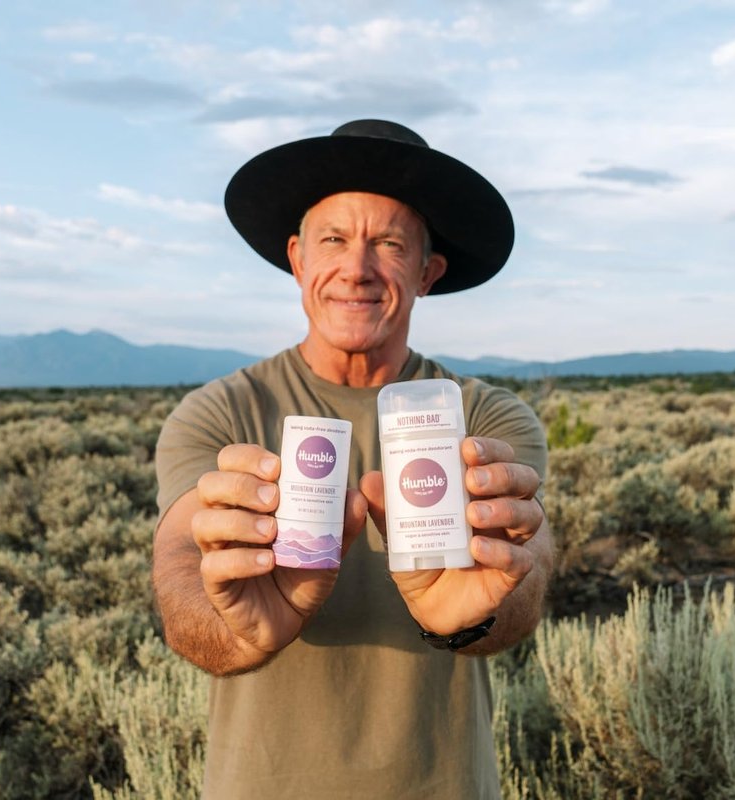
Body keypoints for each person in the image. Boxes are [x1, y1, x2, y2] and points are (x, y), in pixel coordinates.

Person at [153, 119, 554, 800]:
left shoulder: (484, 417)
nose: (357, 268)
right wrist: (237, 631)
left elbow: (530, 569)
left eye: (389, 244)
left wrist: (476, 616)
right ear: (297, 260)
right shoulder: (219, 413)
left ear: (427, 273)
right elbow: (180, 578)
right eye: (333, 239)